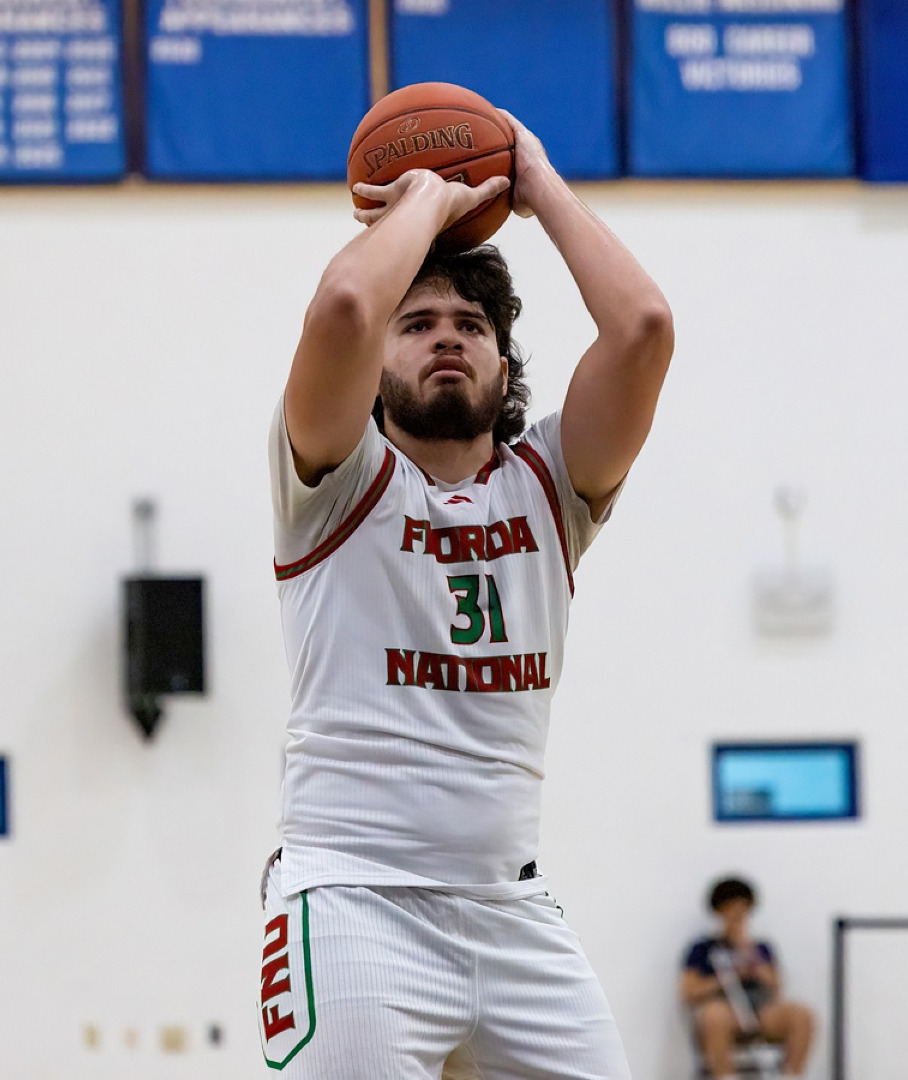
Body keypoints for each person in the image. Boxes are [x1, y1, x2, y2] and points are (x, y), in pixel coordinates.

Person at [256, 109, 674, 1080]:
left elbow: (644, 328)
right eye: (420, 324)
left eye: (471, 326)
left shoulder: (550, 489)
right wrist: (423, 204)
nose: (448, 339)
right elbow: (342, 315)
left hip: (510, 910)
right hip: (355, 904)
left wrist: (536, 180)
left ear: (503, 361)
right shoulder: (333, 481)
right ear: (378, 369)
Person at [680, 877, 815, 1079]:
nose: (737, 916)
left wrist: (750, 957)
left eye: (742, 910)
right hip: (724, 1011)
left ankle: (791, 1076)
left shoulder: (760, 948)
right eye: (731, 909)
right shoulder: (702, 948)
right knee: (714, 1016)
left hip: (759, 1010)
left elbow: (776, 987)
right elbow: (689, 991)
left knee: (802, 1015)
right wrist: (726, 977)